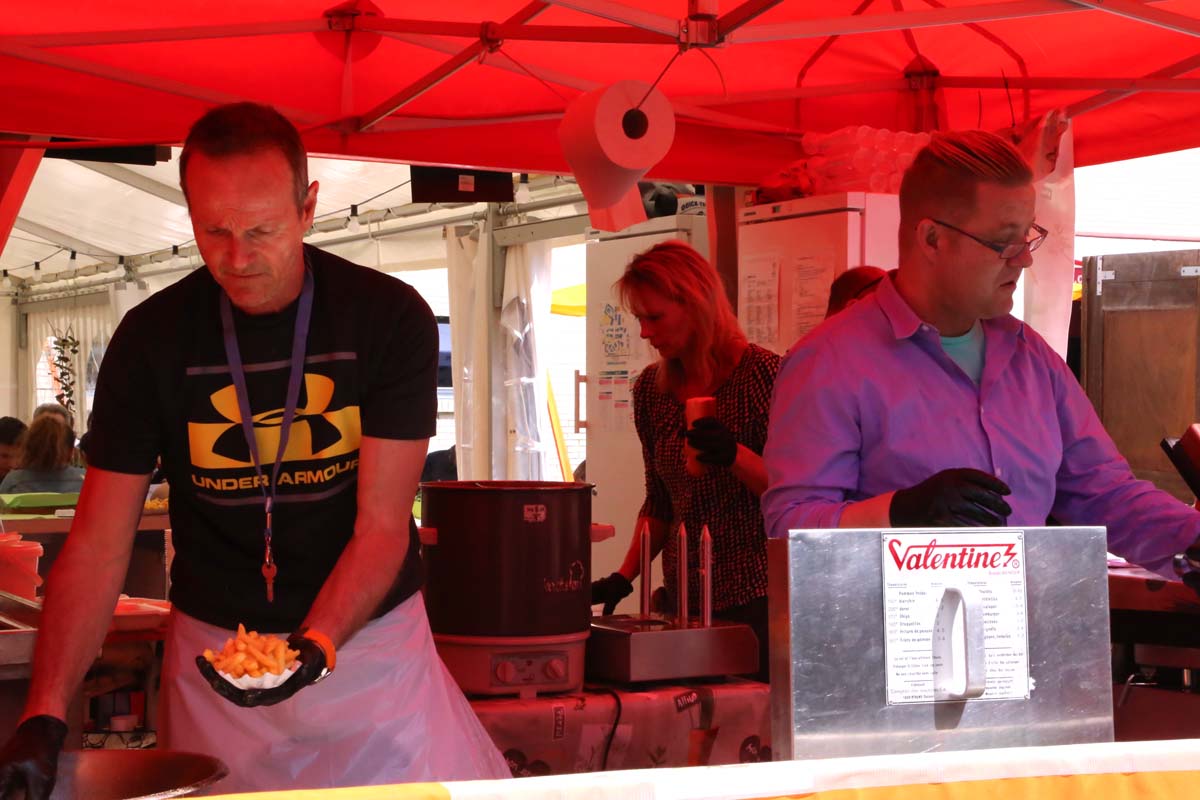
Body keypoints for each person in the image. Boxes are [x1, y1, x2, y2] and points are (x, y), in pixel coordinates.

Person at [0, 103, 506, 798]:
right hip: (216, 651)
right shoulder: (151, 339)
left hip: (370, 654)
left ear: (308, 208)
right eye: (215, 231)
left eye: (262, 230)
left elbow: (383, 526)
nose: (237, 259)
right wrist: (44, 714)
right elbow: (97, 545)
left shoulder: (387, 318)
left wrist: (315, 644)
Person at [763, 129, 1200, 578]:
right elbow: (789, 529)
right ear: (932, 238)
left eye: (1028, 236)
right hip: (892, 623)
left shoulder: (1031, 359)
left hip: (1024, 621)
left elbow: (1105, 493)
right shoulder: (829, 363)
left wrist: (1194, 542)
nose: (1024, 259)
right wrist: (897, 513)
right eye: (1003, 242)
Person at [590, 241, 780, 681]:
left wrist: (733, 454)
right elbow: (659, 502)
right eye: (639, 319)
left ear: (695, 304)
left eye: (654, 318)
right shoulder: (650, 391)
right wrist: (625, 575)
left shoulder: (765, 375)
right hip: (683, 599)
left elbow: (790, 493)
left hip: (755, 596)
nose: (644, 333)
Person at [0, 415, 84, 494]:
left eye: (19, 456)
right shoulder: (83, 480)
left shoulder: (14, 482)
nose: (13, 464)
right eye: (4, 456)